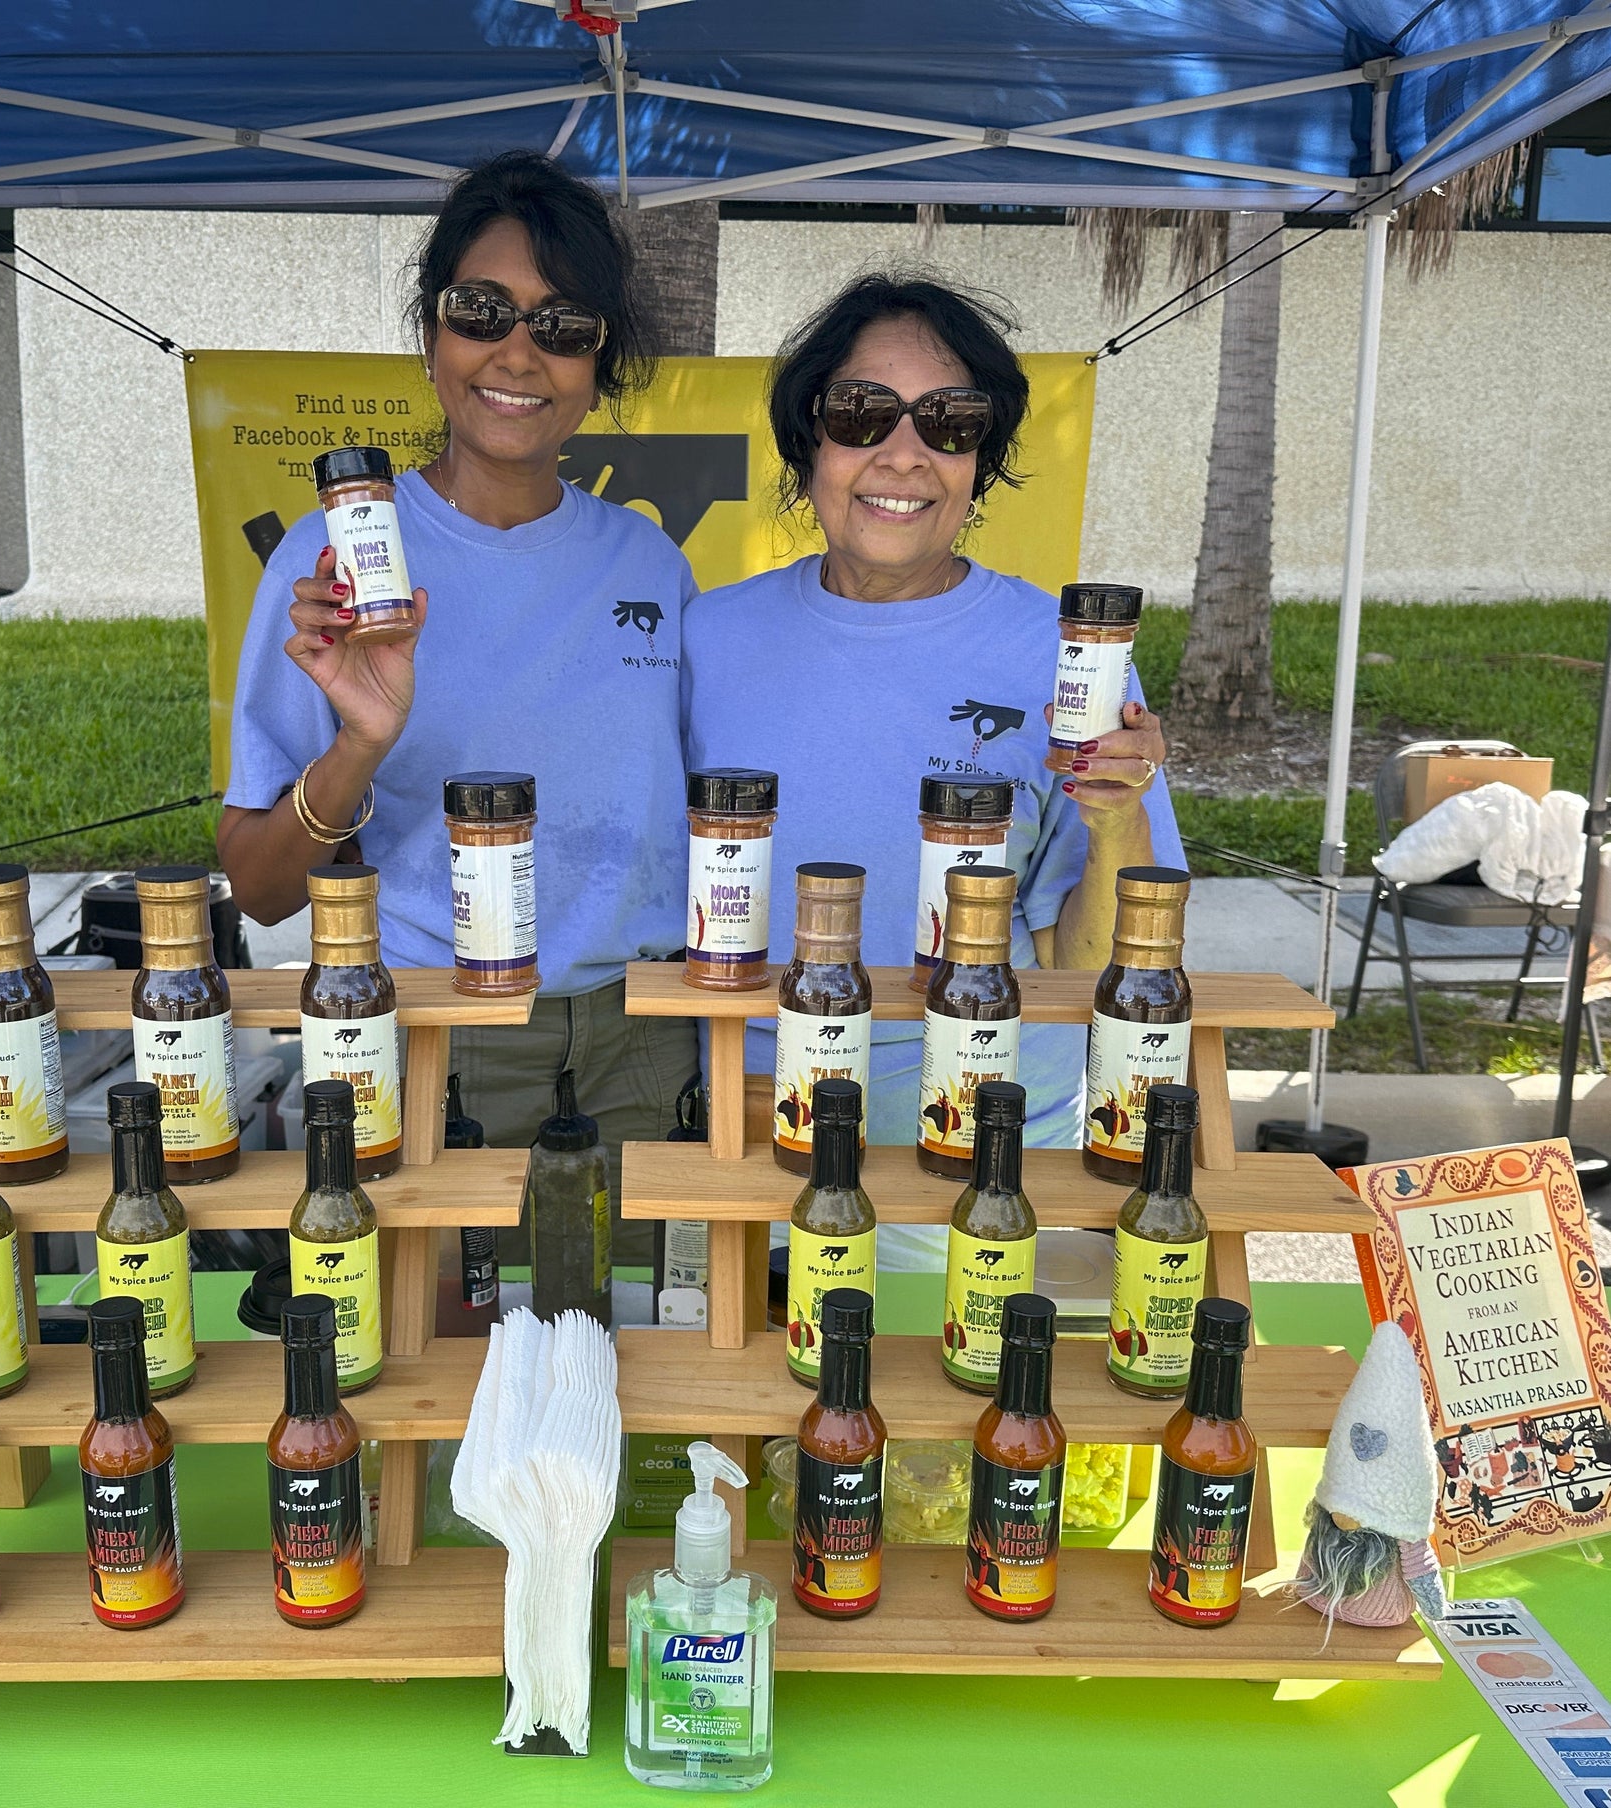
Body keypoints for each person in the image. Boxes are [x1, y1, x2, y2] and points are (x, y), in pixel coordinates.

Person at [219, 152, 696, 1265]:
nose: (517, 352)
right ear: (432, 335)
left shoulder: (648, 562)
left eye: (562, 324)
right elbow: (259, 886)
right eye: (481, 311)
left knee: (628, 1382)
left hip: (642, 1046)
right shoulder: (338, 558)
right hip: (426, 1041)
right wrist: (361, 742)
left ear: (597, 364)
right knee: (427, 1402)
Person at [683, 273, 1186, 1271]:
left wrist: (1114, 816)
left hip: (985, 1151)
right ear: (807, 440)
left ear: (980, 460)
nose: (901, 454)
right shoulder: (710, 634)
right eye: (861, 413)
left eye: (949, 421)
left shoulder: (1065, 653)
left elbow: (1094, 966)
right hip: (755, 1137)